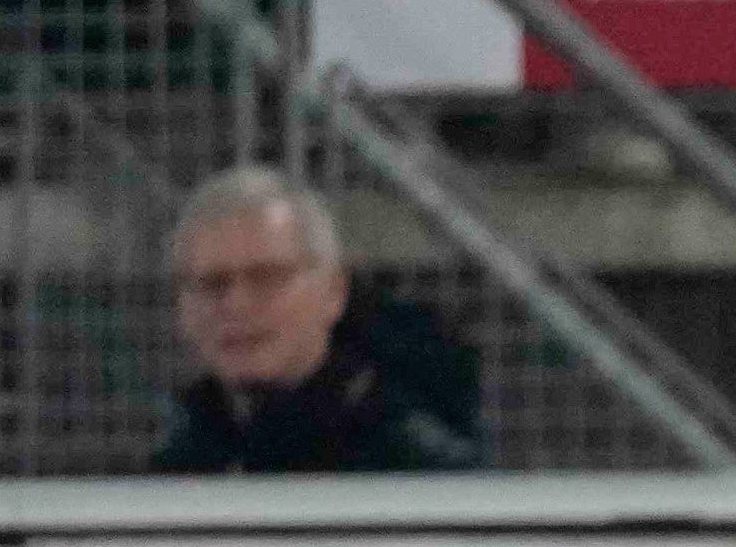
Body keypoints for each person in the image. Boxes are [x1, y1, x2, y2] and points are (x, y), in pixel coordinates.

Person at [152, 168, 490, 475]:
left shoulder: (416, 471)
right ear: (182, 308)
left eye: (267, 278)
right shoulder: (169, 470)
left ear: (333, 293)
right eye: (212, 283)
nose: (236, 304)